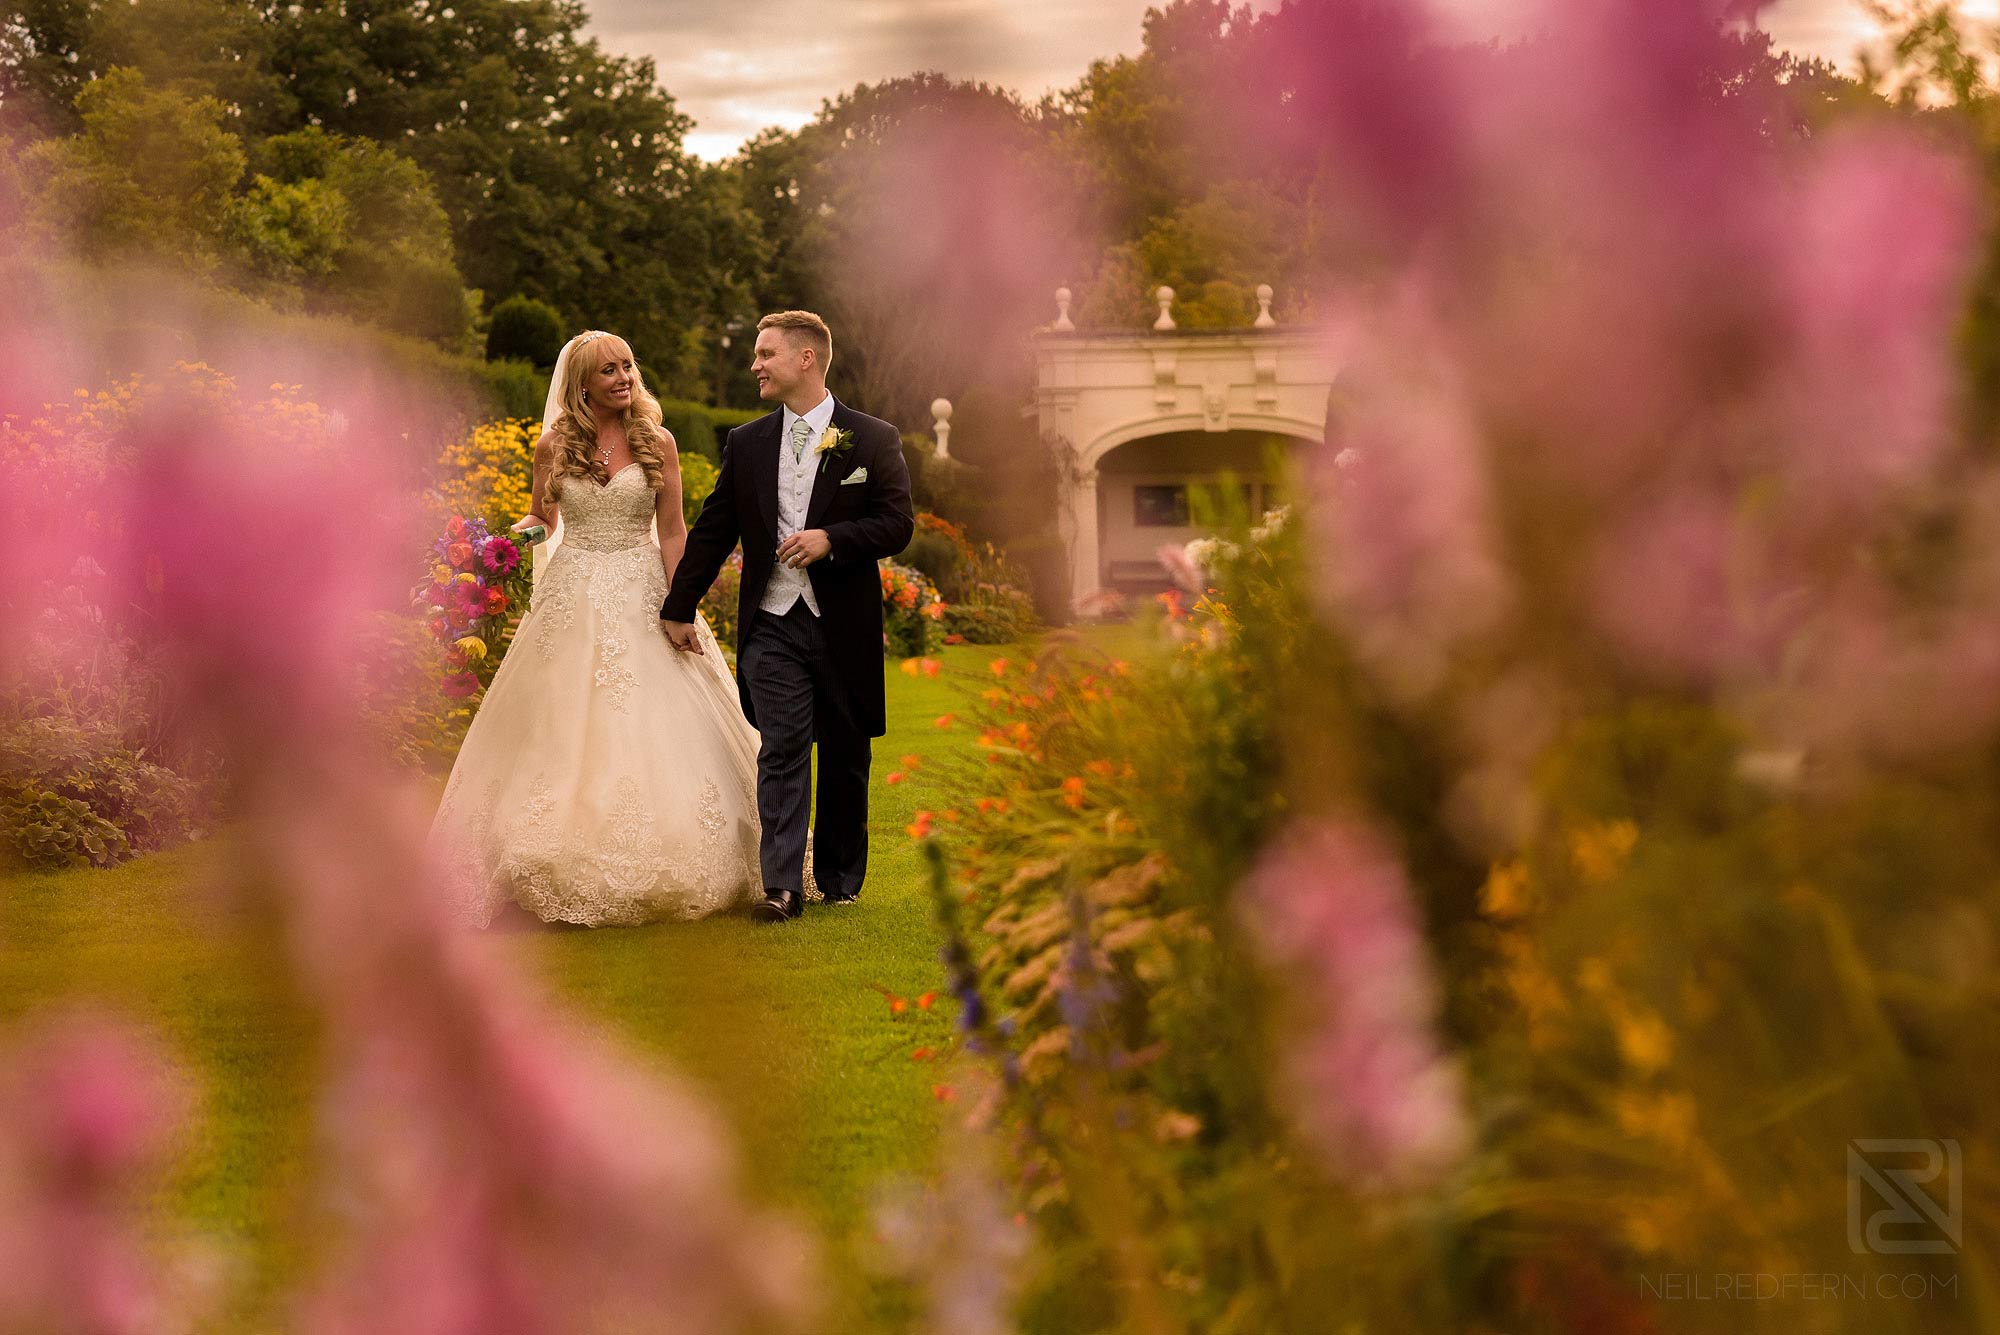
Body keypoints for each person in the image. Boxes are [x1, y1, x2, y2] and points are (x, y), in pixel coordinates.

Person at [431, 331, 769, 925]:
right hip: (572, 589)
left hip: (643, 586)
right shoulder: (553, 445)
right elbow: (543, 514)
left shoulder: (656, 441)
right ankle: (542, 854)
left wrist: (679, 602)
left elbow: (671, 532)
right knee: (557, 720)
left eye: (628, 366)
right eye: (609, 370)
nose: (624, 377)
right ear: (581, 384)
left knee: (657, 716)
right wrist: (507, 543)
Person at [661, 310, 914, 923]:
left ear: (806, 359)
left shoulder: (873, 439)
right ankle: (781, 886)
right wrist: (680, 604)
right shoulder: (746, 443)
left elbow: (897, 523)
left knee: (848, 753)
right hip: (772, 621)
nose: (755, 365)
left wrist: (834, 537)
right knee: (782, 748)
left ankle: (838, 877)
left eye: (765, 354)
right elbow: (716, 527)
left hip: (843, 623)